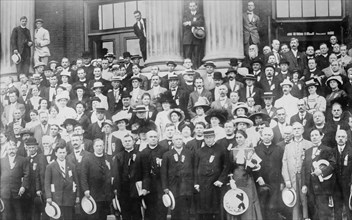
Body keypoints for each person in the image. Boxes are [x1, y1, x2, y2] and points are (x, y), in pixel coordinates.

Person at [227, 129, 262, 220]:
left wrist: (254, 166)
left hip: (247, 179)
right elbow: (229, 167)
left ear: (245, 138)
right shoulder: (233, 150)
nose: (238, 139)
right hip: (236, 179)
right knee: (236, 201)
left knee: (248, 200)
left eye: (240, 137)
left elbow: (256, 165)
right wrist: (231, 180)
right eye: (237, 137)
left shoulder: (250, 150)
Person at [194, 128, 228, 220]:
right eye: (206, 138)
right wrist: (196, 183)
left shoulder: (221, 149)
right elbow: (195, 167)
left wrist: (221, 180)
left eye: (211, 137)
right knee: (204, 210)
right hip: (203, 184)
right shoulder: (199, 151)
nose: (209, 140)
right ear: (204, 138)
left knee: (217, 210)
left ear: (214, 137)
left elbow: (226, 166)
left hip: (216, 184)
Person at [301, 129, 335, 220]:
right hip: (310, 187)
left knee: (323, 212)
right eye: (312, 136)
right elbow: (304, 168)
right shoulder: (307, 151)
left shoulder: (327, 150)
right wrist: (304, 184)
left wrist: (322, 172)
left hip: (322, 187)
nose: (314, 137)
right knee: (313, 212)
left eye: (316, 135)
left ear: (321, 136)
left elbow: (333, 164)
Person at [282, 122, 313, 220]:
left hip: (305, 177)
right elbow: (284, 163)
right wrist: (287, 179)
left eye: (298, 128)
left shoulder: (309, 144)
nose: (296, 130)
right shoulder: (288, 146)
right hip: (292, 177)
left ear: (303, 130)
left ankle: (306, 217)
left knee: (305, 199)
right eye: (294, 129)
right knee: (294, 199)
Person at [161, 132, 195, 220]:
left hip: (187, 186)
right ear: (173, 141)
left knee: (186, 211)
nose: (178, 141)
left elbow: (194, 169)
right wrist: (165, 187)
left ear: (183, 140)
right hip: (174, 186)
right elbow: (163, 172)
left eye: (180, 139)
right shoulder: (167, 155)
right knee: (175, 211)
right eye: (176, 139)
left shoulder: (190, 153)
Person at [255, 127, 284, 220]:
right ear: (261, 136)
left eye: (269, 135)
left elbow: (282, 166)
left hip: (275, 181)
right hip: (261, 182)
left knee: (273, 206)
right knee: (262, 205)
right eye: (265, 135)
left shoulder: (278, 149)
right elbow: (253, 166)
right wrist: (258, 177)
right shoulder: (256, 149)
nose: (267, 137)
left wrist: (281, 182)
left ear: (272, 137)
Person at [45, 145, 79, 220]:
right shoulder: (50, 167)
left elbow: (76, 181)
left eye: (63, 152)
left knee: (68, 217)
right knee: (56, 217)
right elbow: (47, 183)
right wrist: (49, 197)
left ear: (66, 153)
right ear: (56, 153)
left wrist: (77, 196)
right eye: (60, 153)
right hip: (56, 198)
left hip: (68, 198)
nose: (62, 155)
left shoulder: (72, 166)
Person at [81, 138, 113, 220]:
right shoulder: (87, 159)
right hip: (94, 192)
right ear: (94, 147)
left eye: (101, 146)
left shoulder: (108, 158)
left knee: (103, 216)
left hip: (106, 193)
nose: (99, 148)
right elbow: (83, 176)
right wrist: (86, 189)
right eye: (97, 146)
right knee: (94, 216)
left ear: (103, 147)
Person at [112, 134, 143, 220]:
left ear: (133, 142)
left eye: (129, 141)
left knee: (137, 212)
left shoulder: (140, 155)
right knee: (125, 213)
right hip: (123, 189)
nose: (127, 143)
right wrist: (116, 189)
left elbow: (144, 171)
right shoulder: (118, 156)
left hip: (136, 188)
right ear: (122, 143)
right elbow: (116, 174)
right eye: (125, 141)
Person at [0, 141, 29, 220]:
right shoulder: (1, 161)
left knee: (19, 214)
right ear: (6, 150)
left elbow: (27, 175)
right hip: (4, 192)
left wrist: (23, 187)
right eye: (9, 149)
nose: (11, 151)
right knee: (5, 215)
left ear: (16, 149)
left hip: (18, 192)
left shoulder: (23, 160)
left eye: (13, 149)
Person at [333, 129, 352, 220]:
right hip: (335, 185)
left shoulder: (351, 151)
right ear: (336, 138)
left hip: (348, 184)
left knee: (349, 208)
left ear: (346, 138)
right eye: (339, 137)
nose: (340, 138)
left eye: (343, 137)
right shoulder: (331, 151)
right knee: (337, 208)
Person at [182, 1, 205, 69]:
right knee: (187, 55)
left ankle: (197, 68)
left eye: (193, 6)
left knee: (197, 55)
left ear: (196, 6)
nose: (192, 7)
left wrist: (190, 22)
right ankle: (187, 69)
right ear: (189, 7)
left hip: (197, 37)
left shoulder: (200, 15)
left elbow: (201, 22)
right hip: (188, 38)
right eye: (191, 6)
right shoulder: (186, 15)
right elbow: (184, 23)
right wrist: (194, 23)